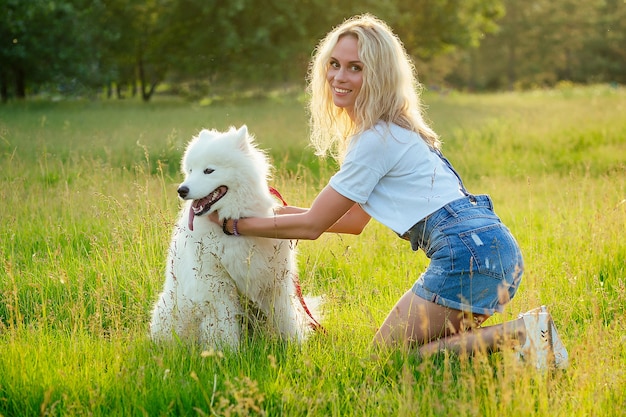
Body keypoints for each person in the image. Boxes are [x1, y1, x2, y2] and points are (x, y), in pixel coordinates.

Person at [210, 14, 568, 369]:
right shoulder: (394, 129)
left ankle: (525, 332)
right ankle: (522, 339)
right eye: (334, 64)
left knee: (386, 359)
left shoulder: (374, 140)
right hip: (491, 249)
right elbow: (351, 220)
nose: (338, 76)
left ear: (378, 75)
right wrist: (264, 214)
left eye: (355, 68)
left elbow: (312, 226)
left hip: (466, 255)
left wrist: (236, 227)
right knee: (416, 355)